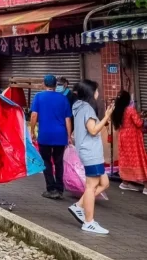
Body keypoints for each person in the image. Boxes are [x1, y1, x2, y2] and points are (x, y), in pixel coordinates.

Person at [68, 80, 114, 235]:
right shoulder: (87, 108)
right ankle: (89, 222)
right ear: (90, 92)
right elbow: (93, 130)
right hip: (91, 152)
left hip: (89, 151)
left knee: (104, 182)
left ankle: (78, 206)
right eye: (96, 91)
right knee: (91, 186)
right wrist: (106, 117)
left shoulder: (78, 105)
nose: (98, 93)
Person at [30, 73, 72, 199]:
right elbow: (68, 120)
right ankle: (59, 189)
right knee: (59, 162)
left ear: (44, 84)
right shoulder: (63, 98)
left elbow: (33, 115)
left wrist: (32, 131)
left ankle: (51, 188)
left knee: (46, 161)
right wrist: (69, 136)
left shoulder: (39, 97)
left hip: (45, 135)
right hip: (60, 135)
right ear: (55, 85)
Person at [111, 90, 147, 192]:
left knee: (126, 159)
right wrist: (143, 119)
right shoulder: (130, 110)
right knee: (139, 159)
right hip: (132, 138)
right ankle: (146, 186)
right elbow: (139, 123)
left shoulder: (117, 110)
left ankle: (125, 183)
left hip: (123, 137)